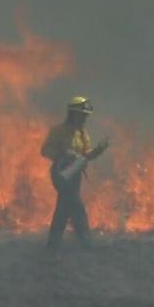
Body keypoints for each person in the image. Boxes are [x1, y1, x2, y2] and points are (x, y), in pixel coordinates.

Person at [41, 96, 109, 252]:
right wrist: (63, 153)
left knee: (64, 207)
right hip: (61, 173)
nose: (85, 119)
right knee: (75, 205)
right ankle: (85, 240)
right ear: (74, 114)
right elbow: (45, 150)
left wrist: (98, 150)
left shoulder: (82, 134)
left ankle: (54, 245)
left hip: (75, 174)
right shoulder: (59, 131)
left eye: (86, 116)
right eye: (82, 115)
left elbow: (86, 156)